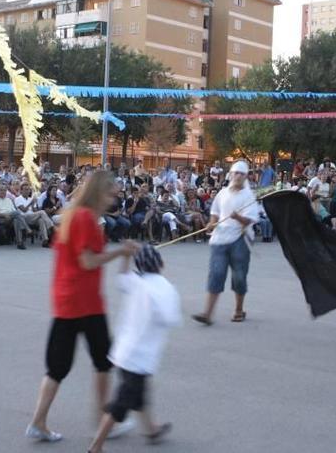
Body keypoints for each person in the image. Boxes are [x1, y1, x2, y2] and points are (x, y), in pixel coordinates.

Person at [25, 171, 140, 444]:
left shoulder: (75, 215)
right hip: (84, 303)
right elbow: (88, 261)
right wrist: (120, 252)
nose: (115, 196)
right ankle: (103, 421)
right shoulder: (85, 218)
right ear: (99, 191)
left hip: (69, 301)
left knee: (59, 366)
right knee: (100, 362)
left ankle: (39, 421)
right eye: (112, 192)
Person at [87, 245, 181, 453]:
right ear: (161, 264)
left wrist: (126, 257)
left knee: (138, 395)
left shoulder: (135, 281)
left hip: (123, 353)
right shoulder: (164, 288)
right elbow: (170, 318)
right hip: (140, 357)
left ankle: (152, 430)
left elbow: (122, 277)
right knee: (121, 404)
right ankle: (96, 446)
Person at [192, 160, 258, 325]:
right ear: (231, 174)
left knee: (239, 276)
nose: (238, 176)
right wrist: (211, 223)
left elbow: (250, 220)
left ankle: (238, 309)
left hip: (240, 239)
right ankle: (207, 314)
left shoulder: (249, 196)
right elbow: (215, 213)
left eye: (241, 174)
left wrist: (238, 217)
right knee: (216, 274)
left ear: (245, 177)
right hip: (220, 238)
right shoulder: (222, 193)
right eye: (235, 173)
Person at [0, 182, 32, 249]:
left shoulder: (8, 200)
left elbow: (13, 211)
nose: (3, 191)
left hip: (10, 217)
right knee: (17, 213)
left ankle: (19, 243)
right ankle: (27, 229)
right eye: (1, 190)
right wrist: (4, 215)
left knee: (16, 220)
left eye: (4, 190)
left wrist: (10, 215)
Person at [15, 183, 55, 247]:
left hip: (32, 217)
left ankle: (45, 240)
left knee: (41, 220)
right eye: (25, 189)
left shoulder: (30, 199)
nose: (27, 191)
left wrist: (33, 205)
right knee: (42, 212)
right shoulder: (18, 199)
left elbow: (34, 211)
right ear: (21, 191)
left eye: (28, 189)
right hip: (23, 217)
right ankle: (51, 227)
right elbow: (24, 210)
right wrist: (31, 203)